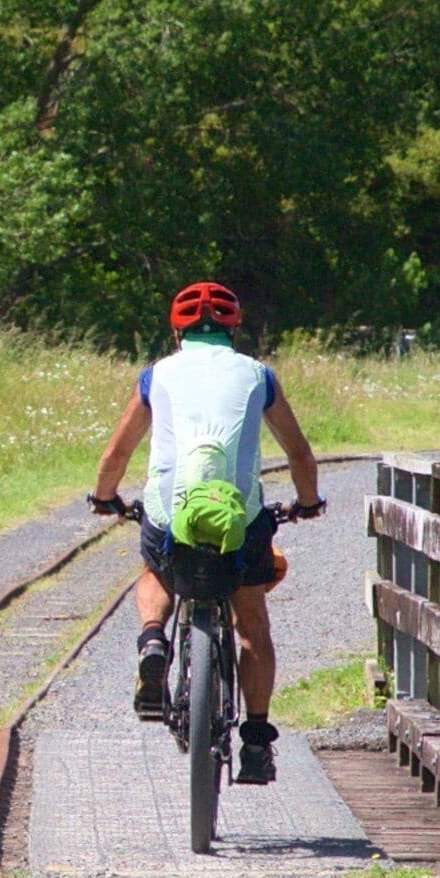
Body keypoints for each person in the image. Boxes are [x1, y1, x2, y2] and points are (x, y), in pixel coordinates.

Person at [88, 281, 321, 786]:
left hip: (170, 517)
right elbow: (301, 455)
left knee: (155, 571)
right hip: (240, 521)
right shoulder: (259, 376)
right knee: (251, 620)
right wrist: (308, 503)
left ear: (178, 333)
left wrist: (105, 497)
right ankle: (256, 742)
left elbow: (116, 456)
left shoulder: (156, 376)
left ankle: (153, 640)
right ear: (233, 332)